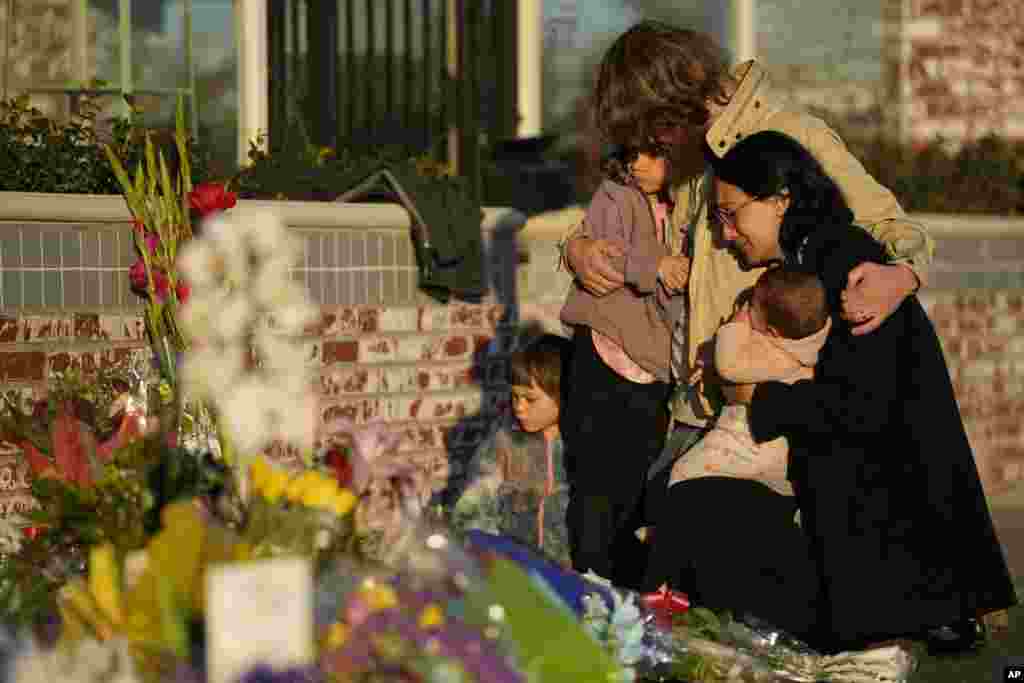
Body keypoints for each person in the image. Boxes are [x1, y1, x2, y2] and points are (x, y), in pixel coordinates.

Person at [645, 130, 1017, 655]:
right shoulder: (821, 256)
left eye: (731, 215)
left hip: (886, 557)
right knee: (692, 502)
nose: (726, 234)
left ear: (780, 201)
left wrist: (753, 397)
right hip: (881, 550)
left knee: (694, 504)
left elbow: (861, 406)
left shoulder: (844, 265)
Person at [561, 21, 935, 479]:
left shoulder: (793, 136)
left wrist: (904, 274)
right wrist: (576, 248)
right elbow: (617, 221)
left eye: (652, 131)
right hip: (690, 410)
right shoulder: (689, 156)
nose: (650, 148)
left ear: (674, 103)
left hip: (762, 417)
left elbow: (892, 226)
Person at [559, 143, 689, 588]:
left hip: (653, 365)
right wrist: (657, 266)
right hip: (603, 345)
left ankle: (630, 596)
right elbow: (604, 253)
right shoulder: (616, 192)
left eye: (654, 153)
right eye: (632, 152)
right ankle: (592, 588)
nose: (639, 164)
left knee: (636, 487)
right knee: (595, 485)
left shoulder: (694, 197)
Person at [667, 267, 831, 498]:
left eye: (751, 307)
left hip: (747, 441)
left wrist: (735, 324)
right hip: (777, 452)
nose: (745, 308)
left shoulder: (775, 353)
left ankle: (664, 524)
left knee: (684, 472)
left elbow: (729, 365)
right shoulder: (804, 346)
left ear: (773, 331)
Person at [450, 334, 573, 567]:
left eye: (530, 399)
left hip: (576, 582)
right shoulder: (504, 443)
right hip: (516, 571)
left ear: (563, 396)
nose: (519, 407)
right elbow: (471, 510)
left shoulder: (587, 448)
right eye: (515, 396)